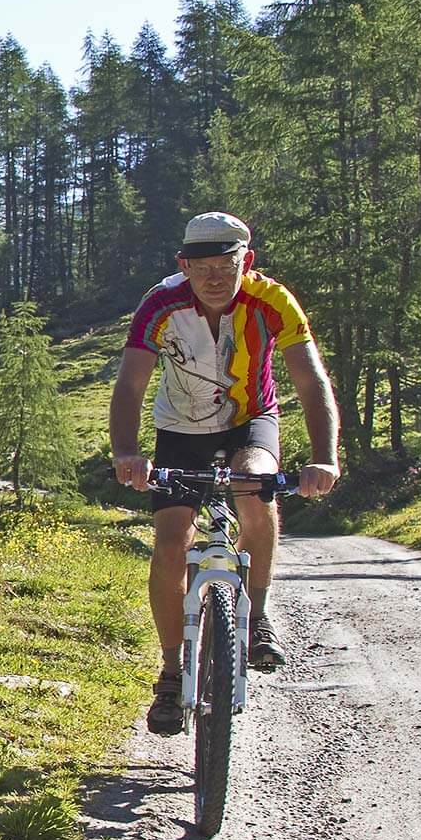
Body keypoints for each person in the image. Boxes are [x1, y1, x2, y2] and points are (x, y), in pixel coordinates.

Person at [109, 212, 341, 735]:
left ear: (247, 262)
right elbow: (129, 386)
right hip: (180, 429)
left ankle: (255, 614)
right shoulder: (159, 305)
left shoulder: (272, 302)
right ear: (183, 266)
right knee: (171, 543)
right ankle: (171, 673)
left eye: (226, 265)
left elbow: (310, 380)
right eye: (202, 267)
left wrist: (324, 456)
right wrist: (128, 453)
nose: (214, 277)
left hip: (249, 420)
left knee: (257, 486)